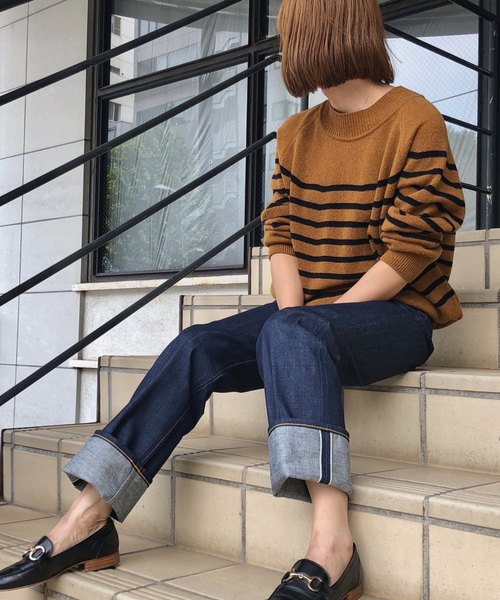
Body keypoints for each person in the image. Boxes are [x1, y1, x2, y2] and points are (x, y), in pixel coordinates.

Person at [0, 0, 465, 598]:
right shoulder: (297, 132)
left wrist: (307, 323)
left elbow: (412, 248)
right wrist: (295, 315)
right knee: (197, 345)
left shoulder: (413, 118)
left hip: (395, 315)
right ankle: (88, 519)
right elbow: (281, 233)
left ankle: (333, 544)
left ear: (325, 34)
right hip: (309, 320)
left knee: (292, 332)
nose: (284, 47)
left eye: (290, 34)